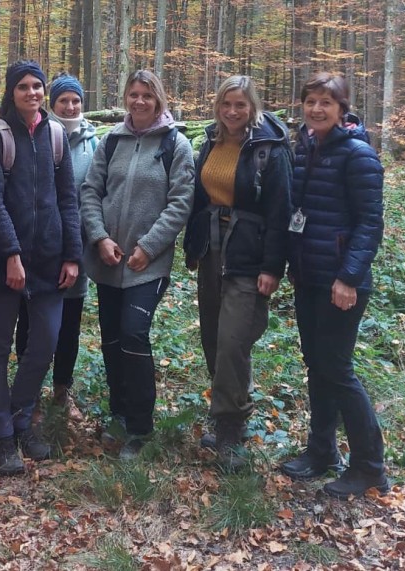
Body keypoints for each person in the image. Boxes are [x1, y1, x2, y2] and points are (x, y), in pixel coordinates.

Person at [280, 73, 389, 497]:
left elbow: (370, 223)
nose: (317, 109)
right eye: (310, 101)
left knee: (338, 369)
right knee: (318, 365)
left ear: (343, 109)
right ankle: (322, 451)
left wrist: (348, 278)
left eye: (326, 102)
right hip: (309, 277)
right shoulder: (305, 147)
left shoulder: (358, 154)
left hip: (342, 283)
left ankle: (369, 466)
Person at [80, 70, 194, 459]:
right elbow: (91, 192)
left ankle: (140, 427)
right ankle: (118, 413)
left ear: (158, 98)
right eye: (133, 94)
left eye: (147, 94)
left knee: (133, 334)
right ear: (125, 97)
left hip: (149, 265)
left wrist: (149, 246)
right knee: (111, 338)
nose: (140, 101)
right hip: (109, 260)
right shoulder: (112, 141)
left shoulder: (175, 144)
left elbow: (181, 202)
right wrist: (100, 238)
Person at [0, 60, 82, 476]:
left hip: (50, 262)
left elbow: (68, 198)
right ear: (12, 91)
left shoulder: (55, 134)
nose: (32, 93)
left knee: (45, 343)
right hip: (6, 263)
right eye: (23, 86)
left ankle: (21, 418)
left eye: (37, 86)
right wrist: (11, 253)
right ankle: (0, 434)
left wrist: (72, 255)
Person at [182, 75, 292, 469]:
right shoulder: (210, 141)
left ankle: (230, 427)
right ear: (217, 105)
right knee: (212, 337)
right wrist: (192, 247)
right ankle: (230, 407)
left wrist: (273, 267)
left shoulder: (269, 149)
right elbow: (198, 199)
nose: (232, 112)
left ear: (252, 107)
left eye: (240, 105)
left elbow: (281, 211)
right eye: (226, 104)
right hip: (211, 249)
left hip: (249, 254)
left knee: (233, 340)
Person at [15, 73, 97, 421]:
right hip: (39, 247)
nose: (70, 106)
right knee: (29, 321)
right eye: (63, 100)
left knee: (70, 323)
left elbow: (96, 193)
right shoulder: (40, 135)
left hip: (75, 248)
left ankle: (63, 389)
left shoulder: (94, 143)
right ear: (52, 103)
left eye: (76, 100)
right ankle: (28, 392)